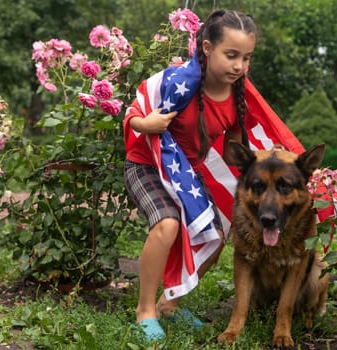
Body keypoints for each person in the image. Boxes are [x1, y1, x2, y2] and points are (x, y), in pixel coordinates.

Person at [123, 9, 258, 341]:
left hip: (188, 177)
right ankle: (145, 311)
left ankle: (171, 305)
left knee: (215, 235)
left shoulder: (237, 98)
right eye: (231, 55)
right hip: (147, 163)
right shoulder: (177, 81)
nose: (239, 66)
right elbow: (132, 112)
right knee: (167, 225)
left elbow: (233, 154)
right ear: (207, 48)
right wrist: (146, 124)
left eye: (246, 58)